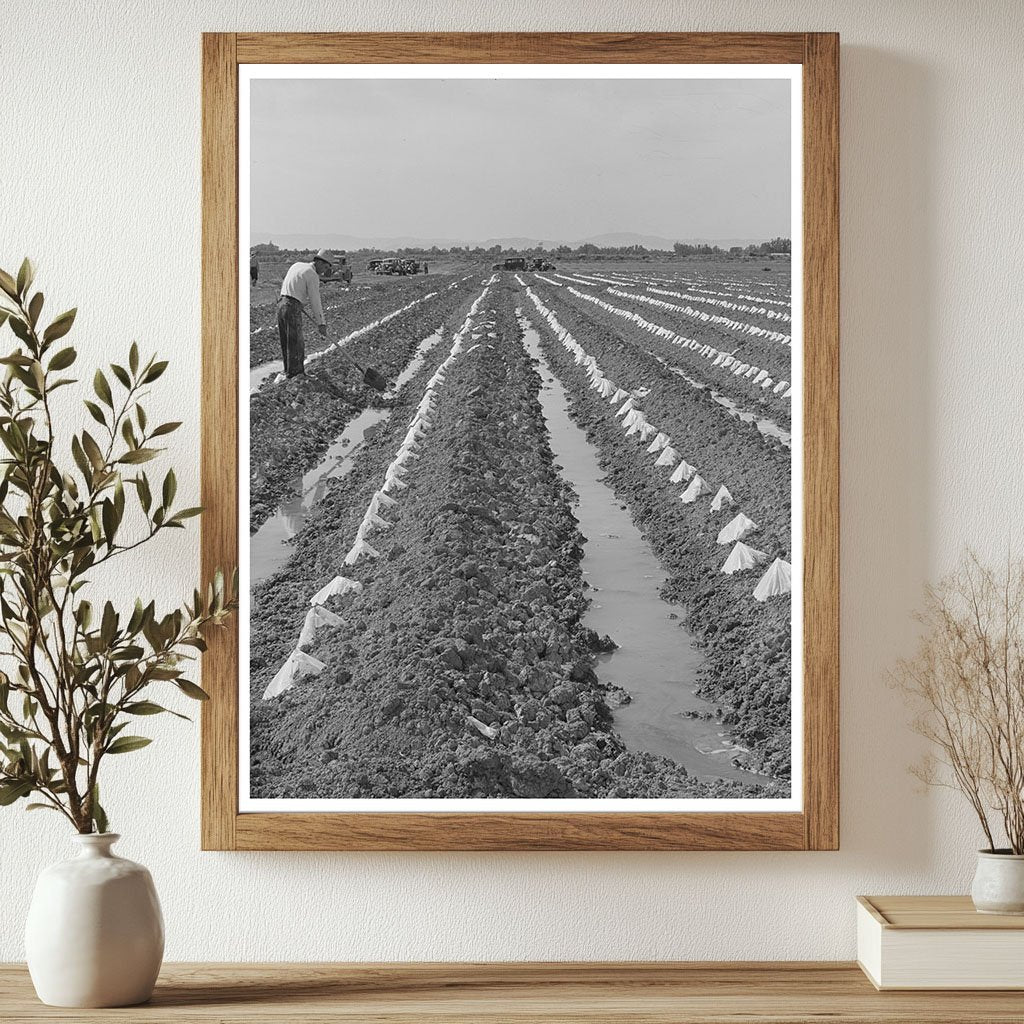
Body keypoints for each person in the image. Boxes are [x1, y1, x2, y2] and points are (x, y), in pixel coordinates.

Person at [277, 249, 332, 378]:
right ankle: (297, 375)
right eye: (325, 266)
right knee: (296, 341)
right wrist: (321, 324)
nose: (325, 270)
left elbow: (291, 285)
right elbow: (315, 301)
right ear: (318, 262)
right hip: (291, 306)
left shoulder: (297, 265)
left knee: (286, 341)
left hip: (281, 304)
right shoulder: (312, 274)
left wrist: (298, 300)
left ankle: (288, 372)